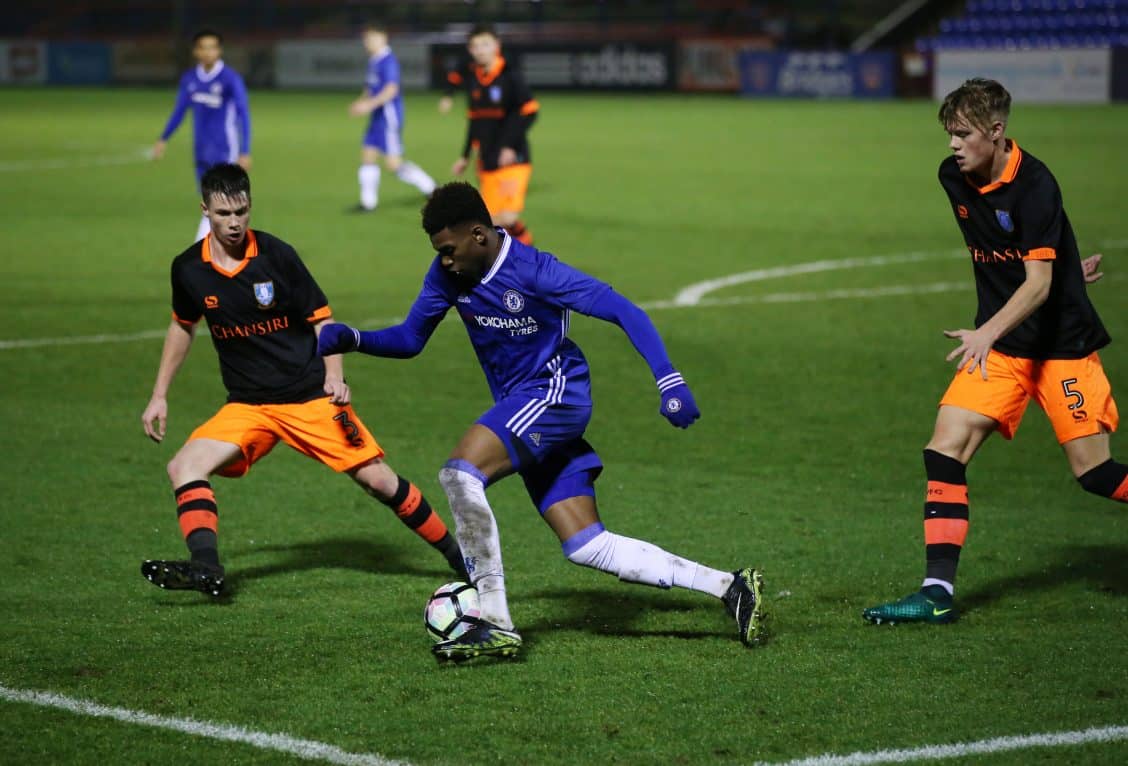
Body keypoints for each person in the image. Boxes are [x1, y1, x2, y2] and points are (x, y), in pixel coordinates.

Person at [318, 182, 764, 660]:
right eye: (439, 254)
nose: (445, 262)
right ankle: (731, 587)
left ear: (479, 235)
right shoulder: (448, 275)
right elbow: (410, 338)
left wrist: (668, 379)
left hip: (555, 394)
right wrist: (357, 338)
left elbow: (621, 309)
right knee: (586, 544)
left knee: (460, 474)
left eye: (449, 251)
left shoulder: (535, 271)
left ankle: (494, 621)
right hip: (522, 407)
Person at [863, 78, 1122, 626]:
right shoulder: (952, 178)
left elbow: (1037, 285)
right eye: (949, 134)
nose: (953, 145)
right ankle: (937, 594)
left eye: (963, 134)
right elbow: (1020, 254)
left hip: (1061, 349)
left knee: (1094, 476)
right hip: (1004, 347)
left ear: (998, 131)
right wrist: (1059, 275)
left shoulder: (1035, 184)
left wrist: (991, 328)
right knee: (944, 450)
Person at [140, 163, 465, 598]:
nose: (234, 223)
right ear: (205, 210)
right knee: (184, 466)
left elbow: (321, 319)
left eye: (241, 211)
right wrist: (159, 395)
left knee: (378, 481)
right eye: (222, 214)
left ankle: (461, 556)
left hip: (308, 396)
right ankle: (206, 567)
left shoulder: (277, 256)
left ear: (250, 206)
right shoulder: (188, 269)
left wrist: (334, 375)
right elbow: (182, 326)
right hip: (248, 406)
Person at [439, 25, 538, 245]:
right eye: (475, 46)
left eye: (485, 44)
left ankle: (529, 261)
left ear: (496, 46)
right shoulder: (474, 79)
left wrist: (510, 146)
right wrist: (465, 156)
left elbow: (530, 111)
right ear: (470, 50)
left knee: (505, 218)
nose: (480, 50)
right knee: (495, 225)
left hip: (514, 160)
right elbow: (474, 121)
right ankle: (523, 260)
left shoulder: (510, 75)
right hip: (487, 160)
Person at [152, 29, 252, 243]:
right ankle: (225, 249)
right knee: (213, 201)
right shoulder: (190, 79)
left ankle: (205, 247)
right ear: (195, 51)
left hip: (226, 149)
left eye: (212, 47)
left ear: (220, 50)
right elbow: (179, 111)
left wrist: (245, 150)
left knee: (221, 202)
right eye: (203, 47)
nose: (208, 52)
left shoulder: (230, 79)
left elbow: (244, 114)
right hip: (201, 151)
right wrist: (163, 138)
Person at [350, 22, 436, 212]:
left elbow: (390, 90)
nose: (367, 43)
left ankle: (430, 187)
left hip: (389, 117)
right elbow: (370, 87)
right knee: (368, 156)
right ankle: (368, 203)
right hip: (377, 117)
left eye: (371, 39)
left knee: (393, 164)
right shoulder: (374, 60)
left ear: (383, 38)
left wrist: (367, 106)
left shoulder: (388, 60)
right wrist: (360, 102)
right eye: (366, 39)